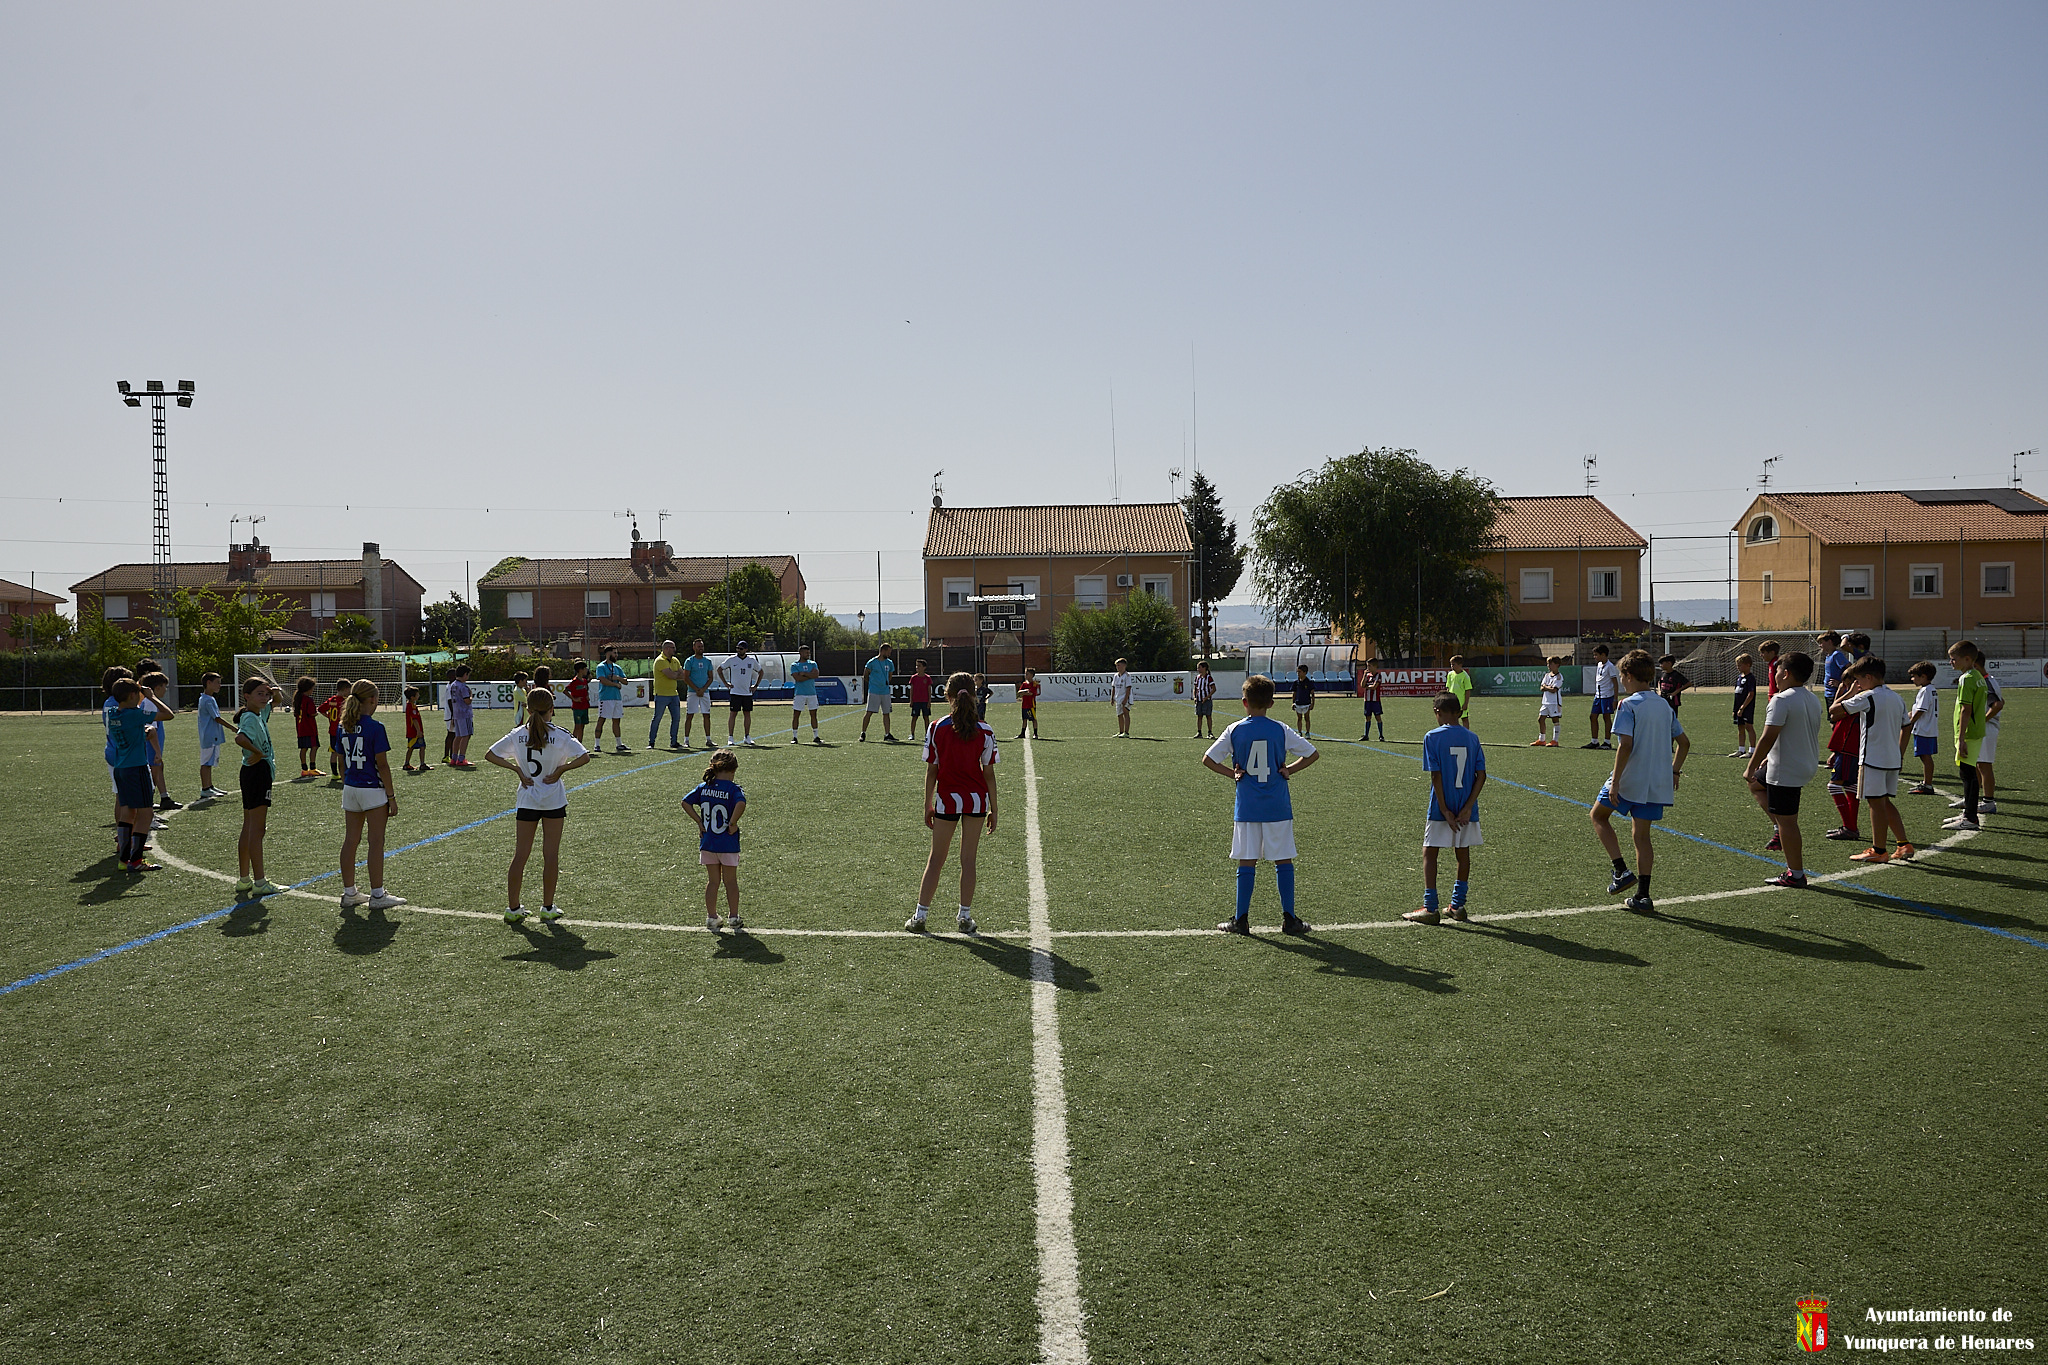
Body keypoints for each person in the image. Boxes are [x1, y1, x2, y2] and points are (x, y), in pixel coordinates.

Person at [1205, 673, 1318, 934]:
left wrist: (1232, 774)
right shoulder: (1280, 728)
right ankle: (1290, 919)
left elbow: (1208, 759)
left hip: (1247, 807)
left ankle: (1241, 920)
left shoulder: (1234, 729)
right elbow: (1312, 754)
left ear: (1244, 702)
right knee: (1283, 861)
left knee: (1246, 861)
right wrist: (1289, 769)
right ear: (1271, 703)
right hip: (1277, 806)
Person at [1591, 651, 1688, 914]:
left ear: (1629, 676)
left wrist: (1615, 782)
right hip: (1657, 781)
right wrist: (1674, 772)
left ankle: (1621, 871)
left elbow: (1626, 746)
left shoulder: (1628, 705)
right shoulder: (1663, 705)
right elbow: (1684, 743)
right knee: (1642, 836)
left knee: (1598, 817)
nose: (1621, 681)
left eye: (1622, 676)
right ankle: (1643, 896)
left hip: (1631, 778)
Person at [486, 687, 591, 923]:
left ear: (528, 709)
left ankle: (513, 909)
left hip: (527, 799)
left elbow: (490, 754)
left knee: (520, 855)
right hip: (553, 799)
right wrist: (562, 769)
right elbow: (585, 756)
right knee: (550, 855)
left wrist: (516, 770)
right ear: (551, 710)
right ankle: (547, 907)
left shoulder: (518, 734)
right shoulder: (561, 735)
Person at [909, 672, 999, 935]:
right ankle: (964, 917)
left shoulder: (937, 727)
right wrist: (995, 808)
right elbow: (989, 774)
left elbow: (932, 771)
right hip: (976, 800)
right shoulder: (985, 730)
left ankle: (920, 916)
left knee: (936, 859)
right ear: (974, 695)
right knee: (968, 860)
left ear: (947, 696)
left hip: (947, 800)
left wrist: (927, 804)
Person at [1405, 690, 1487, 923]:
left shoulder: (1432, 737)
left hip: (1442, 807)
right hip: (1466, 808)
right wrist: (1468, 807)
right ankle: (1457, 906)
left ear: (1437, 712)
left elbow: (1436, 776)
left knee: (1430, 852)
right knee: (1463, 854)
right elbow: (1481, 775)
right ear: (1460, 713)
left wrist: (1444, 809)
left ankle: (1430, 908)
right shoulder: (1472, 737)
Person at [1744, 650, 1825, 885]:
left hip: (1786, 770)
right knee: (1757, 786)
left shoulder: (1781, 699)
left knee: (1788, 822)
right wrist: (1769, 757)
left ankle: (1795, 874)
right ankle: (1779, 829)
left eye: (1777, 671)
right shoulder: (1810, 698)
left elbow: (1767, 737)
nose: (1775, 675)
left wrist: (1750, 766)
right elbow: (1795, 732)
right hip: (1802, 763)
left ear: (1786, 673)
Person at [335, 680, 407, 911]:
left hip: (351, 788)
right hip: (372, 789)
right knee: (376, 842)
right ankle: (377, 895)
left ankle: (349, 893)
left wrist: (347, 781)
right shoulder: (376, 727)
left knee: (350, 841)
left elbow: (340, 760)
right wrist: (392, 796)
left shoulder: (343, 725)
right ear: (373, 700)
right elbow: (382, 766)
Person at [1830, 658, 1911, 863]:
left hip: (1872, 758)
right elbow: (1907, 726)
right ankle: (1903, 844)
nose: (1857, 684)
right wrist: (1900, 752)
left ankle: (1879, 850)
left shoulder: (1868, 696)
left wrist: (1850, 693)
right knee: (1884, 801)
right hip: (1892, 758)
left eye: (1858, 680)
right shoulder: (1896, 697)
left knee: (1875, 803)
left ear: (1868, 677)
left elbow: (1834, 712)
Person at [232, 674, 288, 897]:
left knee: (248, 826)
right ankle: (260, 881)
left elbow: (277, 700)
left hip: (252, 772)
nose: (265, 698)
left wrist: (271, 691)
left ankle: (244, 879)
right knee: (257, 829)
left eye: (265, 694)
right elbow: (240, 738)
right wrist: (258, 752)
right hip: (257, 772)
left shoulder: (258, 712)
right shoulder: (250, 718)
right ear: (247, 696)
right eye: (259, 694)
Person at [684, 748, 747, 931]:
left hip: (709, 842)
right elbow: (741, 803)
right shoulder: (733, 789)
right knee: (731, 882)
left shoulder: (704, 787)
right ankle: (733, 917)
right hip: (727, 842)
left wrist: (699, 821)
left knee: (713, 881)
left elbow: (685, 802)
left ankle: (712, 917)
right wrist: (733, 822)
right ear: (733, 771)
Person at [107, 677, 163, 873]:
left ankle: (124, 859)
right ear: (132, 695)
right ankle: (136, 860)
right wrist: (152, 697)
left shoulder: (113, 712)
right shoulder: (134, 715)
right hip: (136, 767)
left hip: (121, 767)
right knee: (145, 813)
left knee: (127, 812)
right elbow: (168, 714)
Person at [1944, 642, 1988, 832]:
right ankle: (1968, 814)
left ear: (1967, 659)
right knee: (1969, 774)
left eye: (1954, 659)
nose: (1951, 662)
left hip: (1968, 733)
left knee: (1967, 775)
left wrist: (1961, 738)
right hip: (1976, 732)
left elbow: (1966, 709)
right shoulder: (1978, 676)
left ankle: (1970, 817)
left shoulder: (1966, 679)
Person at [1959, 661, 2005, 816]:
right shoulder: (1986, 679)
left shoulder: (1985, 681)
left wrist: (1982, 720)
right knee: (1977, 764)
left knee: (1984, 765)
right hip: (1984, 728)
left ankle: (1988, 801)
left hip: (1987, 727)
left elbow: (1998, 704)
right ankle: (1971, 798)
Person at [138, 671, 180, 812]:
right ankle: (156, 801)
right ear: (156, 688)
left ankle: (157, 798)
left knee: (156, 772)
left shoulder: (148, 702)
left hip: (152, 747)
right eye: (164, 687)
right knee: (154, 772)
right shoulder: (150, 703)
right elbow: (151, 731)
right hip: (150, 747)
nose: (165, 690)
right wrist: (156, 751)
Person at [1904, 661, 1940, 795]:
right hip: (1929, 728)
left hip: (1924, 729)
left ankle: (1928, 785)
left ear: (1923, 676)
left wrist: (1911, 722)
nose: (1912, 679)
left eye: (1914, 676)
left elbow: (1921, 710)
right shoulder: (1931, 689)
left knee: (1925, 757)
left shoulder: (1925, 691)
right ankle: (1927, 783)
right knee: (1926, 756)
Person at [194, 671, 231, 800]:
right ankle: (205, 788)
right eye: (217, 683)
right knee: (205, 763)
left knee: (209, 762)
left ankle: (209, 786)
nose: (219, 685)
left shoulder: (209, 698)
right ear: (208, 683)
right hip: (209, 736)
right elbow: (217, 718)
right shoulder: (207, 700)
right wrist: (233, 728)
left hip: (213, 736)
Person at [721, 640, 763, 746]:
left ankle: (747, 736)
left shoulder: (751, 660)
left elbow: (761, 671)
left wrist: (756, 686)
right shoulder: (731, 659)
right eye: (737, 648)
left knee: (747, 714)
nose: (738, 650)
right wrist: (726, 683)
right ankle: (730, 737)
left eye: (741, 648)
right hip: (735, 692)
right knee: (733, 714)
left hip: (747, 693)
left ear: (746, 650)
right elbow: (719, 669)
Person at [648, 640, 684, 751]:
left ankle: (674, 742)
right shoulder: (660, 661)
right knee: (657, 718)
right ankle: (651, 742)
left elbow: (682, 675)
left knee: (676, 718)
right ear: (667, 649)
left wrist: (675, 674)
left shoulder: (675, 660)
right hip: (661, 695)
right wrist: (676, 674)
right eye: (673, 647)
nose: (674, 650)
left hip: (674, 694)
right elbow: (672, 675)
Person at [681, 640, 717, 751]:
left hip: (704, 692)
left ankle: (708, 739)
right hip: (693, 692)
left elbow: (710, 677)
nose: (700, 648)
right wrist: (696, 689)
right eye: (698, 646)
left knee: (706, 715)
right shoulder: (689, 661)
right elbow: (686, 677)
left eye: (702, 646)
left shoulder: (707, 661)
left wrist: (703, 689)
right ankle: (686, 740)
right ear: (694, 648)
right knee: (690, 715)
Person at [786, 644, 823, 744]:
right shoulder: (795, 665)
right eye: (806, 652)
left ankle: (816, 736)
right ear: (801, 653)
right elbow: (798, 678)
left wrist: (804, 674)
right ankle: (795, 737)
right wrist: (809, 675)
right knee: (796, 715)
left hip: (812, 693)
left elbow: (816, 675)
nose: (808, 654)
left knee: (814, 715)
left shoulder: (813, 663)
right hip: (800, 694)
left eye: (809, 652)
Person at [1583, 645, 1619, 748]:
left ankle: (1607, 742)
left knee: (1606, 717)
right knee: (1593, 716)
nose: (1595, 657)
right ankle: (1594, 741)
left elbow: (1615, 683)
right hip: (1598, 695)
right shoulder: (1599, 665)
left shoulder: (1610, 666)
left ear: (1603, 655)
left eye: (1596, 655)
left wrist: (1615, 699)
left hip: (1607, 696)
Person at [860, 643, 897, 742]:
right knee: (869, 712)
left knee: (886, 713)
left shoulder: (889, 663)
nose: (889, 654)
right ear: (883, 651)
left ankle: (887, 734)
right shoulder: (872, 662)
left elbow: (890, 676)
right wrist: (873, 684)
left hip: (885, 691)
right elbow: (866, 675)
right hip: (874, 691)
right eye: (888, 651)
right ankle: (863, 733)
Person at [319, 678, 352, 777]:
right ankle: (345, 772)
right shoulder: (345, 701)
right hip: (342, 729)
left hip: (332, 730)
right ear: (345, 689)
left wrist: (329, 716)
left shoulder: (331, 700)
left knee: (334, 752)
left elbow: (320, 709)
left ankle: (334, 774)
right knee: (344, 752)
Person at [445, 666, 476, 766]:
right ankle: (461, 758)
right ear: (465, 674)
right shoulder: (463, 687)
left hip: (456, 714)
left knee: (458, 736)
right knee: (466, 735)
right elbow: (467, 701)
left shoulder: (453, 685)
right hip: (464, 714)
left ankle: (454, 758)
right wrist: (471, 696)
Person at [1729, 653, 1758, 758]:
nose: (1738, 667)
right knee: (1740, 727)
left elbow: (1751, 694)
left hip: (1747, 706)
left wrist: (1742, 707)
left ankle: (1752, 750)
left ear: (1748, 665)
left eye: (1740, 665)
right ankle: (1741, 750)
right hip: (1738, 707)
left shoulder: (1751, 678)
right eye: (1737, 665)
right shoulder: (1739, 677)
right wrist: (1735, 709)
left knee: (1748, 727)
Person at [293, 675, 321, 777]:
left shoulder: (298, 699)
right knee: (314, 746)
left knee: (303, 748)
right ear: (308, 689)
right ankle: (313, 768)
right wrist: (316, 712)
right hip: (310, 729)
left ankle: (304, 769)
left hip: (301, 729)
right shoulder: (308, 700)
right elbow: (312, 713)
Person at [1534, 656, 1564, 746]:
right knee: (1541, 719)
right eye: (1548, 664)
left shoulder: (1559, 677)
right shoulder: (1547, 675)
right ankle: (1542, 740)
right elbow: (1541, 688)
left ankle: (1555, 740)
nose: (1548, 666)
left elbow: (1554, 689)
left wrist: (1546, 687)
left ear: (1557, 665)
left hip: (1554, 702)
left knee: (1555, 720)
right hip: (1545, 702)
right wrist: (1548, 688)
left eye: (1551, 664)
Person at [401, 684, 431, 771]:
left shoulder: (411, 705)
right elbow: (414, 720)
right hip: (414, 732)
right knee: (421, 747)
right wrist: (418, 731)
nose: (419, 696)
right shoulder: (411, 706)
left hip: (412, 732)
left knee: (412, 747)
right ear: (412, 697)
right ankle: (421, 764)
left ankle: (407, 763)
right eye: (417, 695)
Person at [1818, 630, 1852, 705]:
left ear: (1829, 642)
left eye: (1821, 642)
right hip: (1828, 692)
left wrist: (1841, 683)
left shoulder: (1837, 655)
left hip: (1835, 693)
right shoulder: (1828, 656)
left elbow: (1850, 668)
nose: (1820, 645)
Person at [565, 661, 592, 745]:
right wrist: (574, 699)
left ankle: (580, 744)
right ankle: (572, 744)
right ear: (580, 670)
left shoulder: (584, 681)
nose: (586, 670)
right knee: (577, 726)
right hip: (577, 707)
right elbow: (565, 691)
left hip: (585, 706)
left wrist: (587, 696)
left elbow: (585, 690)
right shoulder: (574, 681)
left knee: (582, 726)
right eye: (585, 668)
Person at [1445, 655, 1474, 730]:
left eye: (1453, 664)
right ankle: (1454, 733)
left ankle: (1466, 733)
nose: (1452, 666)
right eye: (1451, 664)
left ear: (1460, 665)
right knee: (1452, 718)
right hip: (1452, 701)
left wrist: (1465, 703)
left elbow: (1468, 690)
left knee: (1464, 718)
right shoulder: (1450, 674)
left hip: (1461, 701)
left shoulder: (1465, 676)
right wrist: (1447, 698)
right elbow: (1448, 687)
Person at [1358, 658, 1384, 742]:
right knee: (1367, 717)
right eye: (1367, 666)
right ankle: (1366, 735)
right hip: (1367, 700)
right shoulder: (1367, 675)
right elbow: (1362, 685)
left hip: (1375, 701)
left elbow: (1374, 687)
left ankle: (1381, 735)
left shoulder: (1378, 676)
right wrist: (1364, 676)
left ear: (1375, 666)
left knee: (1378, 717)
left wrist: (1367, 687)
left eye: (1369, 666)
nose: (1367, 667)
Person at [908, 659, 934, 740]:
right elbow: (911, 689)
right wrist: (911, 700)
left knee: (926, 717)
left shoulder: (927, 678)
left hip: (925, 701)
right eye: (916, 666)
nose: (917, 667)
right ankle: (912, 734)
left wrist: (929, 701)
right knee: (914, 717)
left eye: (919, 666)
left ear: (924, 667)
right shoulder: (914, 678)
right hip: (916, 701)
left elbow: (929, 690)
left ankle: (927, 735)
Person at [1110, 658, 1135, 737]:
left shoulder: (1127, 676)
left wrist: (1125, 699)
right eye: (1116, 665)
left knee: (1125, 713)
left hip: (1125, 698)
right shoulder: (1116, 676)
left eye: (1119, 665)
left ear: (1124, 666)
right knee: (1119, 714)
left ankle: (1126, 732)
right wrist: (1112, 697)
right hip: (1118, 698)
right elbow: (1113, 687)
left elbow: (1128, 688)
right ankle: (1120, 732)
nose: (1117, 667)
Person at [1192, 660, 1217, 739]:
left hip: (1207, 700)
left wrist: (1207, 697)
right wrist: (1195, 697)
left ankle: (1210, 732)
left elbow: (1214, 689)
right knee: (1199, 716)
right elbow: (1195, 688)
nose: (1198, 669)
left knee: (1208, 716)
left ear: (1204, 668)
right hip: (1199, 700)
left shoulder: (1208, 678)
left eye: (1199, 667)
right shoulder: (1197, 678)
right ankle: (1199, 732)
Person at [1017, 667, 1042, 740]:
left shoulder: (1034, 684)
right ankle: (1022, 733)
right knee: (1024, 719)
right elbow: (1019, 692)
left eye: (1027, 674)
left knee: (1033, 719)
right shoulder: (1024, 684)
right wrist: (1024, 691)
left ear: (1031, 675)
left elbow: (1031, 693)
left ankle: (1035, 733)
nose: (1025, 675)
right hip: (1024, 705)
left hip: (1031, 705)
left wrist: (1024, 693)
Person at [1291, 663, 1316, 736]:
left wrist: (1312, 703)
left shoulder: (1309, 682)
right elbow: (1294, 693)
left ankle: (1307, 732)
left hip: (1306, 703)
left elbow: (1312, 694)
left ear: (1305, 672)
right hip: (1298, 703)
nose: (1298, 673)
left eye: (1299, 672)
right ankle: (1299, 732)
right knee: (1299, 718)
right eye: (1297, 672)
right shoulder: (1296, 683)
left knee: (1307, 718)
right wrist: (1293, 702)